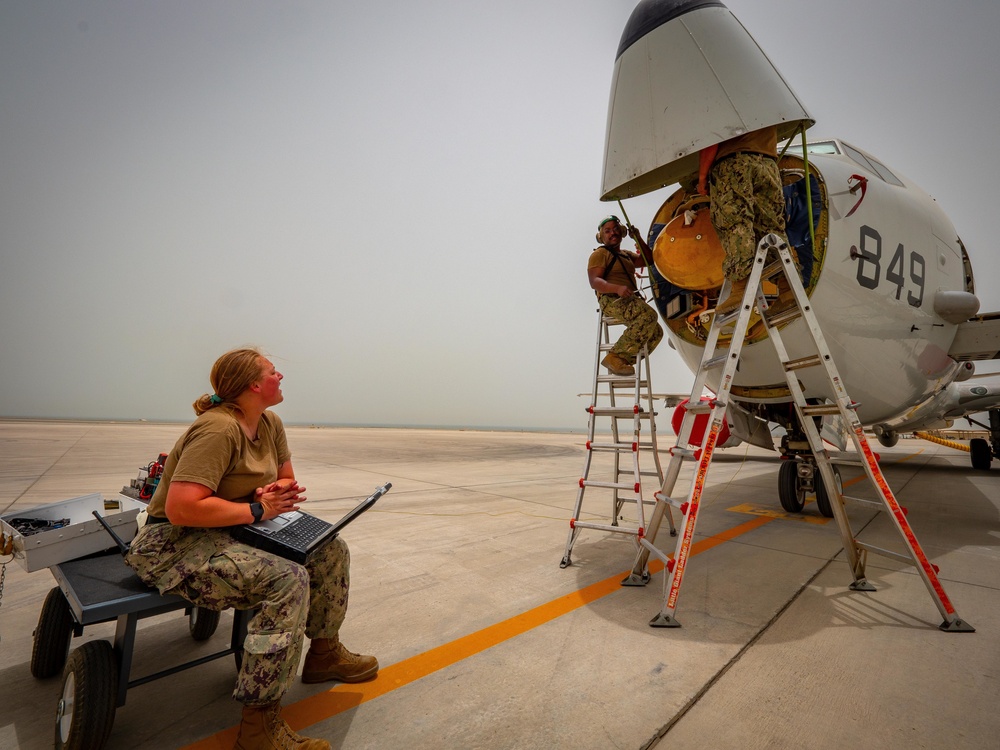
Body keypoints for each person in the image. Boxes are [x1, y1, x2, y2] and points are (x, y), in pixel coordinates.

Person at [125, 347, 376, 750]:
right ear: (253, 385)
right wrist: (257, 507)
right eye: (274, 372)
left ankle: (324, 654)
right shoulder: (217, 430)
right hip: (174, 542)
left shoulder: (269, 422)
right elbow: (181, 507)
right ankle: (258, 728)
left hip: (232, 529)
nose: (281, 377)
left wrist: (276, 490)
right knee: (288, 580)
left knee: (330, 548)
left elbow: (286, 477)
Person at [698, 124, 790, 313]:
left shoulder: (721, 99)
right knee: (771, 227)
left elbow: (711, 138)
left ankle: (741, 288)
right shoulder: (761, 98)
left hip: (735, 163)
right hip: (768, 164)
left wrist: (702, 177)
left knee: (734, 223)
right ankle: (787, 288)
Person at [587, 215, 664, 376]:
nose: (612, 233)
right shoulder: (600, 254)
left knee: (656, 332)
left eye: (615, 229)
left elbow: (649, 260)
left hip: (628, 299)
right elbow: (595, 281)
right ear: (601, 237)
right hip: (612, 299)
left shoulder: (626, 255)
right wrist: (616, 288)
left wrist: (637, 237)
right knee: (649, 316)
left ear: (621, 232)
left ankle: (623, 360)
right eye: (607, 231)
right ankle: (616, 356)